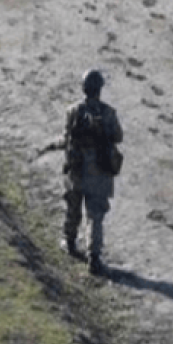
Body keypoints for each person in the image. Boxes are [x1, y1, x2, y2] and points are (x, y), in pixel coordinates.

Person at [62, 69, 123, 275]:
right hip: (99, 173)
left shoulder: (72, 110)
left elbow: (67, 137)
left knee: (73, 209)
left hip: (77, 170)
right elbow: (118, 136)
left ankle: (70, 243)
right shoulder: (109, 113)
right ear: (99, 89)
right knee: (95, 217)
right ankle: (94, 258)